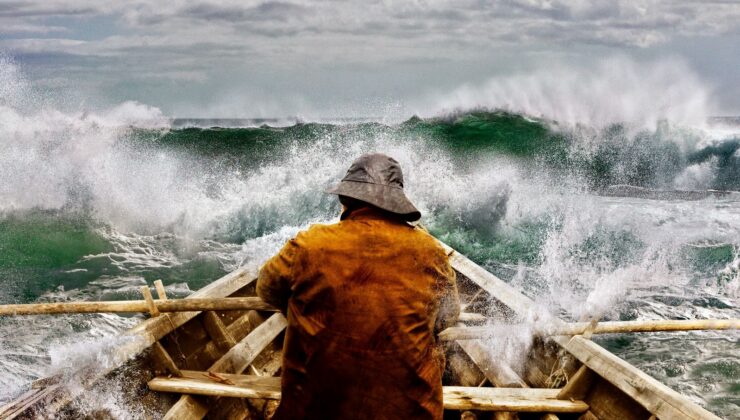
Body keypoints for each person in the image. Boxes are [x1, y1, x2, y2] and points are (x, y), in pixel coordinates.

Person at [257, 153, 460, 420]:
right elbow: (449, 316)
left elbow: (266, 290)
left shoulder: (309, 244)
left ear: (346, 201)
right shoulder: (431, 252)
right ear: (395, 205)